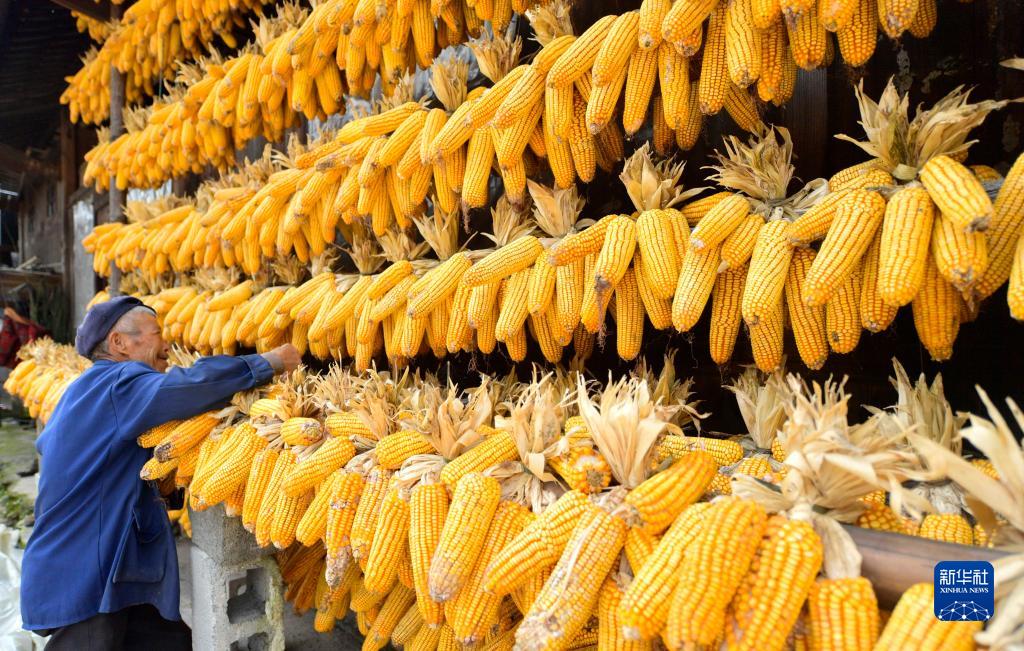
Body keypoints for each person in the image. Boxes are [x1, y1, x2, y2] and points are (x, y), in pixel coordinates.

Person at [19, 296, 301, 650]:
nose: (167, 346)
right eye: (156, 334)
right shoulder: (118, 384)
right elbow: (188, 386)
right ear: (119, 343)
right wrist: (267, 363)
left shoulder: (86, 389)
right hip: (86, 570)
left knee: (167, 639)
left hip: (112, 563)